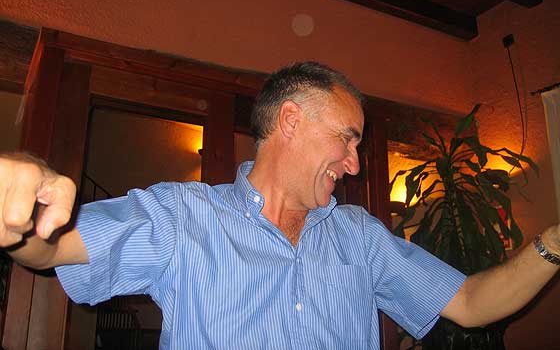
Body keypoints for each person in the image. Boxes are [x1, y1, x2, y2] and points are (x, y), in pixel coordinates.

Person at [0, 61, 559, 349]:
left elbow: (471, 302)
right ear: (291, 120)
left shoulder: (360, 236)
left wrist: (554, 243)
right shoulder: (185, 217)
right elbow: (52, 247)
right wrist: (23, 204)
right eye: (347, 139)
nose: (355, 164)